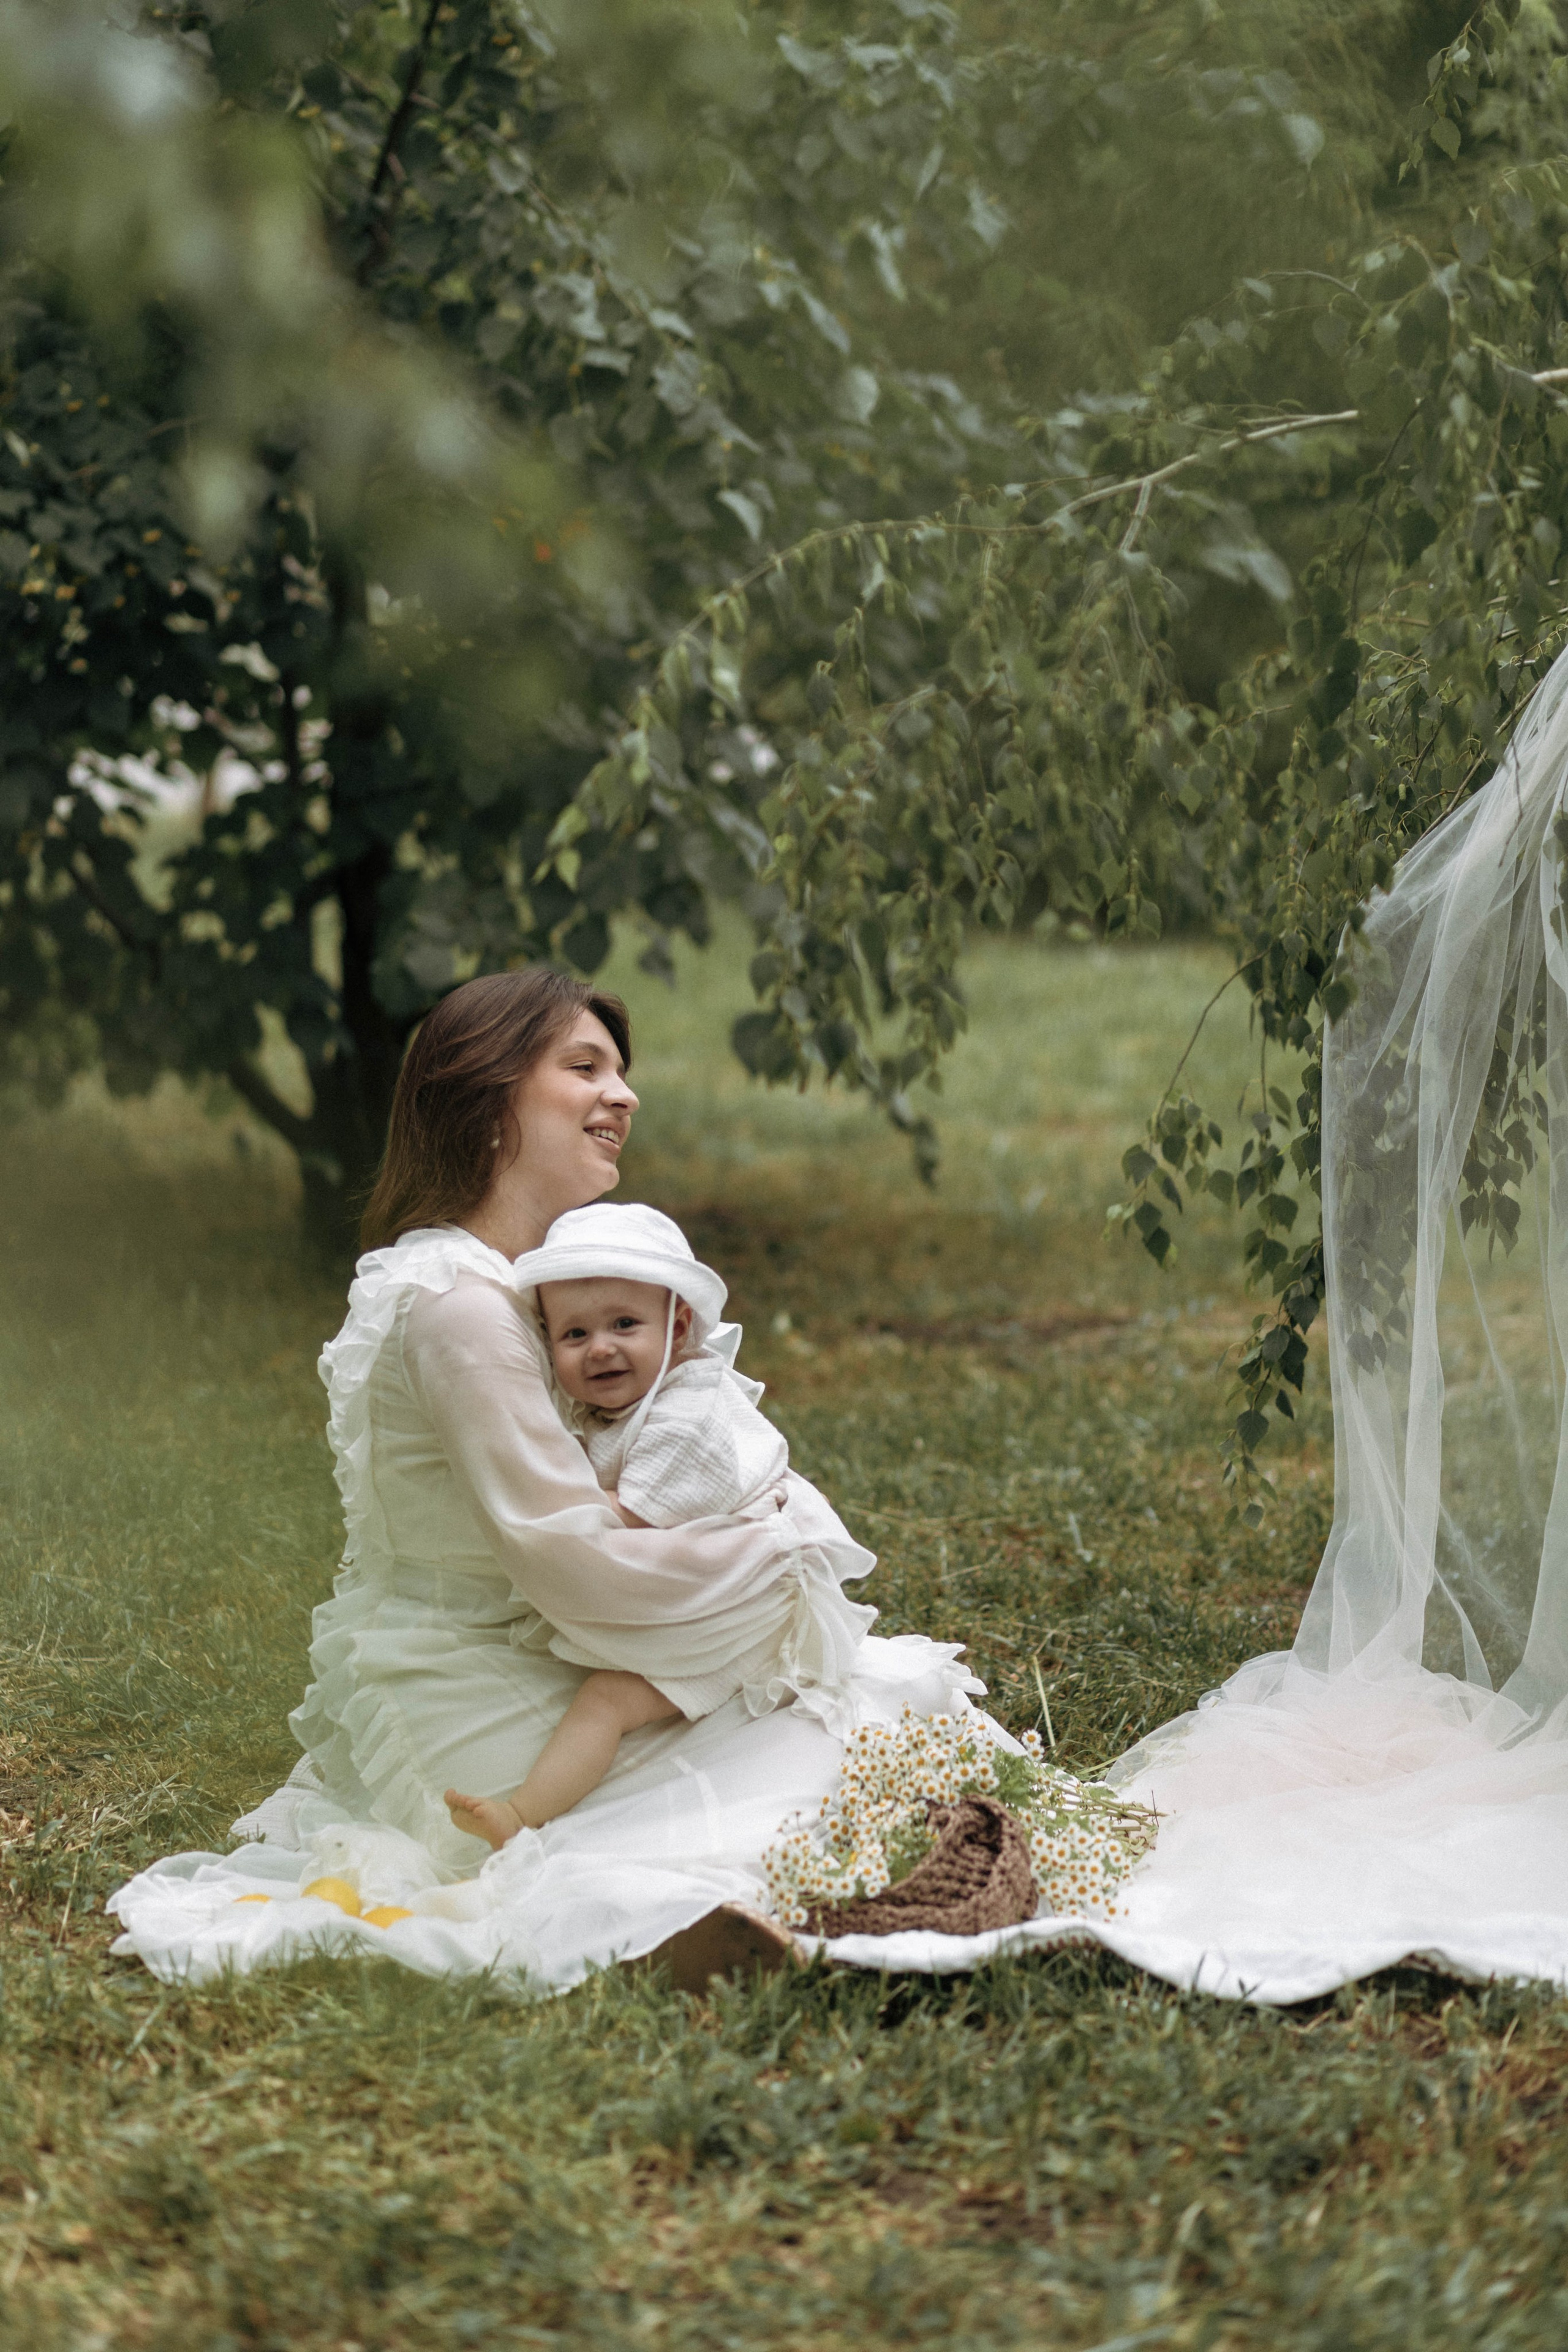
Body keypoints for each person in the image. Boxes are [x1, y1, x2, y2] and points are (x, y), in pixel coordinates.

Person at [107, 966, 984, 1994]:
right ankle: (673, 1921)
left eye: (622, 1072)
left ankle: (702, 1904)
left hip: (538, 1643)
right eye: (585, 1068)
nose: (625, 1096)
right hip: (480, 1673)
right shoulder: (461, 1309)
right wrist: (774, 1557)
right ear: (489, 1099)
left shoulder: (520, 1292)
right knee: (825, 1747)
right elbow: (572, 1560)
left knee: (869, 1725)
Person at [443, 1201, 869, 1849]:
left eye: (624, 1324)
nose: (602, 1348)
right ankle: (518, 1817)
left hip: (748, 1599)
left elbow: (625, 1520)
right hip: (709, 1584)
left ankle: (528, 1810)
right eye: (574, 1336)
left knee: (607, 1700)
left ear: (678, 1327)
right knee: (607, 1702)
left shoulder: (689, 1413)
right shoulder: (610, 1407)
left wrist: (525, 1498)